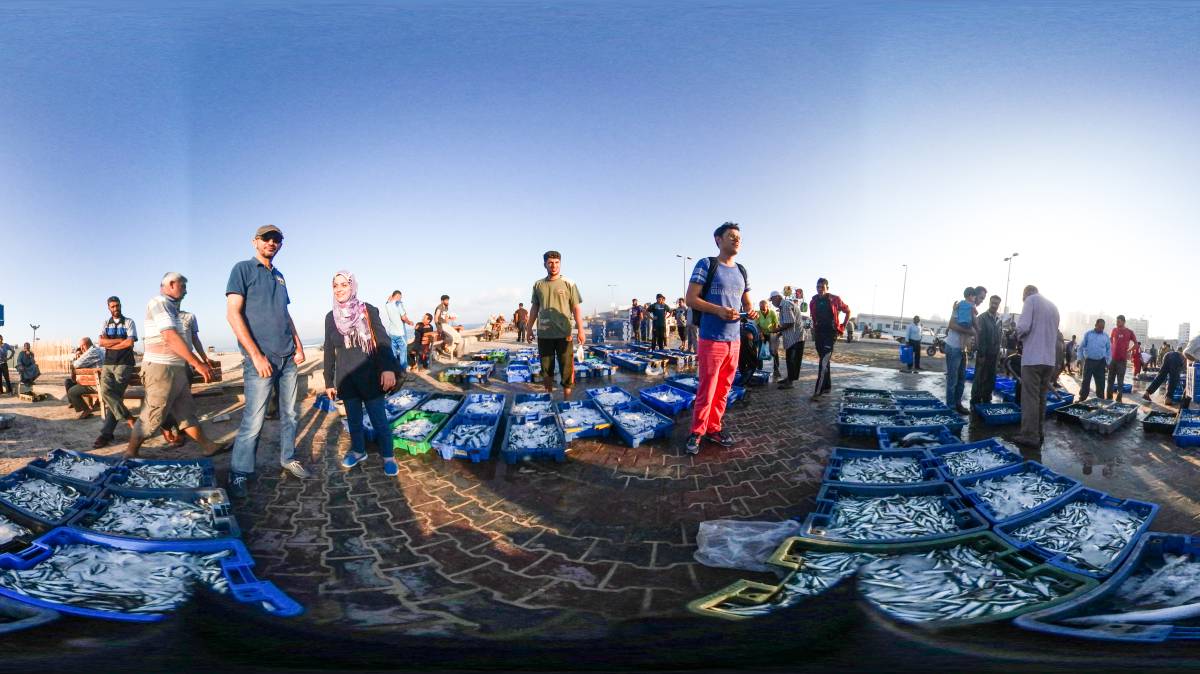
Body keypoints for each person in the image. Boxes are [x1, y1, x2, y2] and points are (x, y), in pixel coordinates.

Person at [226, 224, 308, 498]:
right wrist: (256, 355)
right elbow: (233, 314)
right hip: (260, 360)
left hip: (287, 359)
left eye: (277, 240)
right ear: (255, 242)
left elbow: (285, 314)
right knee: (254, 419)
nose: (272, 243)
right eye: (267, 239)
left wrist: (298, 345)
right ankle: (239, 472)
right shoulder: (242, 269)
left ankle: (288, 458)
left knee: (291, 414)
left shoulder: (280, 276)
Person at [125, 272, 222, 460]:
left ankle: (207, 446)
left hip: (176, 368)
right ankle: (130, 453)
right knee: (152, 416)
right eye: (183, 286)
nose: (186, 291)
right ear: (170, 284)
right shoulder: (159, 302)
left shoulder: (172, 308)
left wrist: (196, 361)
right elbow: (170, 337)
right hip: (162, 369)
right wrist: (198, 364)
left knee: (186, 412)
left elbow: (186, 339)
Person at [685, 222, 757, 454]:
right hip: (711, 338)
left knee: (724, 389)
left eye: (739, 237)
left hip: (733, 341)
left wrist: (751, 310)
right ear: (718, 239)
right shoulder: (707, 264)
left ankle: (714, 428)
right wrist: (717, 310)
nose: (736, 240)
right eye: (731, 236)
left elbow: (747, 302)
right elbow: (691, 299)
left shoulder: (742, 270)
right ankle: (697, 431)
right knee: (707, 388)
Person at [323, 271, 400, 475]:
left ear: (352, 286)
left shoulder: (367, 310)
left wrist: (387, 368)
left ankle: (388, 456)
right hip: (346, 379)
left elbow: (383, 340)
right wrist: (328, 381)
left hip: (370, 376)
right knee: (354, 421)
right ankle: (358, 451)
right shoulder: (331, 317)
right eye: (335, 286)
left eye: (344, 285)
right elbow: (329, 350)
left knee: (379, 421)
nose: (339, 289)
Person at [527, 250, 584, 398]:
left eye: (557, 262)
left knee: (567, 368)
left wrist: (581, 330)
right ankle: (549, 398)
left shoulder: (569, 283)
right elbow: (534, 308)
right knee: (546, 369)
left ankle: (567, 400)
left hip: (564, 333)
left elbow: (576, 307)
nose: (554, 265)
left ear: (560, 264)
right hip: (544, 334)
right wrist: (528, 328)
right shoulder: (538, 284)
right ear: (545, 264)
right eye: (550, 263)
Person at [1014, 285, 1060, 450]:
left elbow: (1023, 327)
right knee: (1041, 398)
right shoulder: (1053, 307)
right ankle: (1039, 433)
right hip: (1048, 360)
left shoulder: (1030, 301)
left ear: (1026, 293)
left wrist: (1016, 334)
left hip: (1033, 358)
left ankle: (1029, 435)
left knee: (1030, 399)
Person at [93, 296, 139, 447]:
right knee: (106, 393)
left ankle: (106, 434)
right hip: (108, 363)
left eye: (117, 306)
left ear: (121, 305)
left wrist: (111, 344)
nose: (115, 309)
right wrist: (121, 341)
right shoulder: (106, 323)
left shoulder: (129, 322)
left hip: (124, 364)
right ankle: (130, 418)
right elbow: (101, 342)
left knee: (115, 397)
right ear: (108, 308)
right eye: (112, 307)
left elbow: (130, 343)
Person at [809, 278, 850, 400]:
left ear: (827, 288)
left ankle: (818, 392)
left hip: (830, 334)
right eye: (818, 287)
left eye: (822, 287)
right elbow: (814, 317)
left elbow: (848, 311)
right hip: (818, 334)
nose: (820, 289)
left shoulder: (835, 299)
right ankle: (827, 386)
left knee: (823, 362)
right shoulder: (813, 301)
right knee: (824, 361)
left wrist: (842, 327)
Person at [943, 287, 978, 414]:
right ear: (971, 295)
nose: (979, 301)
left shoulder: (972, 310)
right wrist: (970, 331)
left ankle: (958, 404)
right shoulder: (959, 307)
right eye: (979, 297)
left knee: (961, 379)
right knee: (953, 379)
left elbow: (975, 328)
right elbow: (951, 325)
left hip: (962, 349)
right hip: (953, 347)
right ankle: (951, 408)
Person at [970, 296, 1002, 406]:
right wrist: (982, 353)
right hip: (983, 354)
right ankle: (975, 401)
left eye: (996, 304)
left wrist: (999, 352)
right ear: (989, 303)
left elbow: (999, 336)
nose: (994, 305)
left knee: (991, 377)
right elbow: (980, 337)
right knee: (980, 377)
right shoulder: (982, 318)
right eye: (992, 303)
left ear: (999, 305)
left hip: (995, 354)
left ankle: (986, 398)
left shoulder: (999, 319)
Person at [63, 338, 104, 418]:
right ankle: (74, 403)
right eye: (80, 346)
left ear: (88, 344)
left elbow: (75, 365)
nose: (81, 348)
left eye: (83, 346)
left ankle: (86, 410)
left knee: (71, 392)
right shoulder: (98, 350)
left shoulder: (91, 352)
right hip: (98, 381)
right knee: (68, 382)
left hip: (96, 384)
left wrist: (78, 357)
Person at [1077, 319, 1110, 400]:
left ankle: (1100, 399)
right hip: (1089, 361)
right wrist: (1079, 359)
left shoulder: (1105, 336)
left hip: (1101, 362)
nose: (1101, 329)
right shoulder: (1088, 334)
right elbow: (1080, 348)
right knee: (1086, 381)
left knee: (1101, 383)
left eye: (1103, 327)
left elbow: (1109, 350)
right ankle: (1082, 398)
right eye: (1100, 327)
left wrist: (1108, 362)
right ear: (1095, 325)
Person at [1106, 315, 1135, 402]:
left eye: (1118, 321)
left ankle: (1119, 398)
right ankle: (1109, 397)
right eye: (1116, 321)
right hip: (1112, 360)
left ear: (1123, 322)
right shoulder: (1114, 330)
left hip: (1122, 361)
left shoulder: (1129, 332)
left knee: (1120, 380)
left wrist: (1128, 350)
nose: (1117, 323)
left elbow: (1136, 344)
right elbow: (1111, 340)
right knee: (1110, 379)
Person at [382, 290, 413, 372]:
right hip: (400, 332)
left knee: (393, 353)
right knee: (403, 352)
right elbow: (403, 317)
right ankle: (403, 371)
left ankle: (394, 370)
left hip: (391, 332)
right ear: (398, 296)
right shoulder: (398, 304)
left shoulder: (387, 305)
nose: (401, 298)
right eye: (400, 297)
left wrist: (390, 298)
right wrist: (409, 322)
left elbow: (388, 300)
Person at [757, 296, 781, 379]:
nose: (762, 310)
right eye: (761, 308)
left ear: (767, 306)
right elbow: (758, 325)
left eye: (763, 308)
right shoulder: (758, 313)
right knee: (760, 351)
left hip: (772, 333)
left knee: (774, 351)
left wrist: (773, 334)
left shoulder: (772, 313)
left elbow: (776, 323)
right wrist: (761, 335)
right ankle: (759, 369)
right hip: (762, 333)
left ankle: (776, 369)